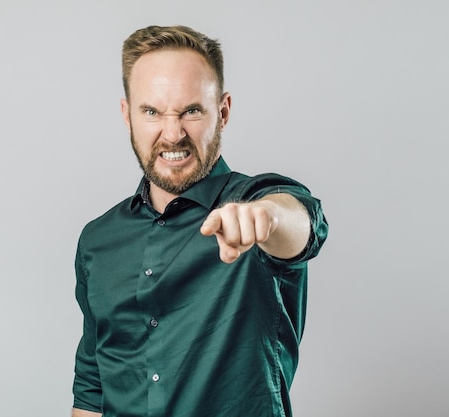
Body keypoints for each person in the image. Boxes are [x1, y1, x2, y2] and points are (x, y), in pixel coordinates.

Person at [71, 25, 328, 417]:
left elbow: (304, 225)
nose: (172, 134)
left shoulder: (254, 203)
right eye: (152, 111)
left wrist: (268, 218)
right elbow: (92, 385)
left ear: (222, 111)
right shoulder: (97, 240)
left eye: (191, 111)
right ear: (128, 115)